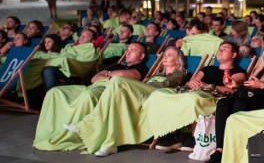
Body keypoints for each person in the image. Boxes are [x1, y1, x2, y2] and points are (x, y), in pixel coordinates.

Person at [60, 46, 191, 156]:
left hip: (156, 93)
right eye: (164, 55)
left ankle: (87, 123)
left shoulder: (182, 72)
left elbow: (165, 84)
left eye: (169, 55)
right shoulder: (157, 74)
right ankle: (110, 143)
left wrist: (142, 84)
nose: (165, 57)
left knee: (117, 81)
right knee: (115, 98)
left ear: (178, 60)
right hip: (143, 91)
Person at [33, 42, 149, 154]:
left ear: (141, 56)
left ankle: (80, 133)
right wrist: (111, 75)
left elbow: (125, 76)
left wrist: (107, 75)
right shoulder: (117, 65)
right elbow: (94, 78)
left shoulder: (142, 68)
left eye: (133, 50)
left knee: (88, 95)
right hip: (94, 86)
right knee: (55, 92)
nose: (128, 52)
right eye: (128, 50)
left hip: (109, 91)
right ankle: (51, 132)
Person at [202, 36, 264, 163]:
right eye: (263, 49)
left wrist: (262, 85)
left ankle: (234, 151)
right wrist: (236, 86)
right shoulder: (260, 67)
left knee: (240, 105)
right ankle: (220, 150)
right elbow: (248, 88)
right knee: (223, 103)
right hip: (249, 97)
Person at [151, 41, 248, 151]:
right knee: (161, 94)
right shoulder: (207, 69)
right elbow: (190, 83)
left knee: (193, 98)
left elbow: (232, 89)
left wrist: (208, 86)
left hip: (214, 97)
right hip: (195, 93)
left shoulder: (238, 71)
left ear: (234, 55)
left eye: (224, 49)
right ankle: (172, 134)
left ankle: (193, 137)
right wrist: (192, 84)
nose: (220, 51)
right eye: (219, 48)